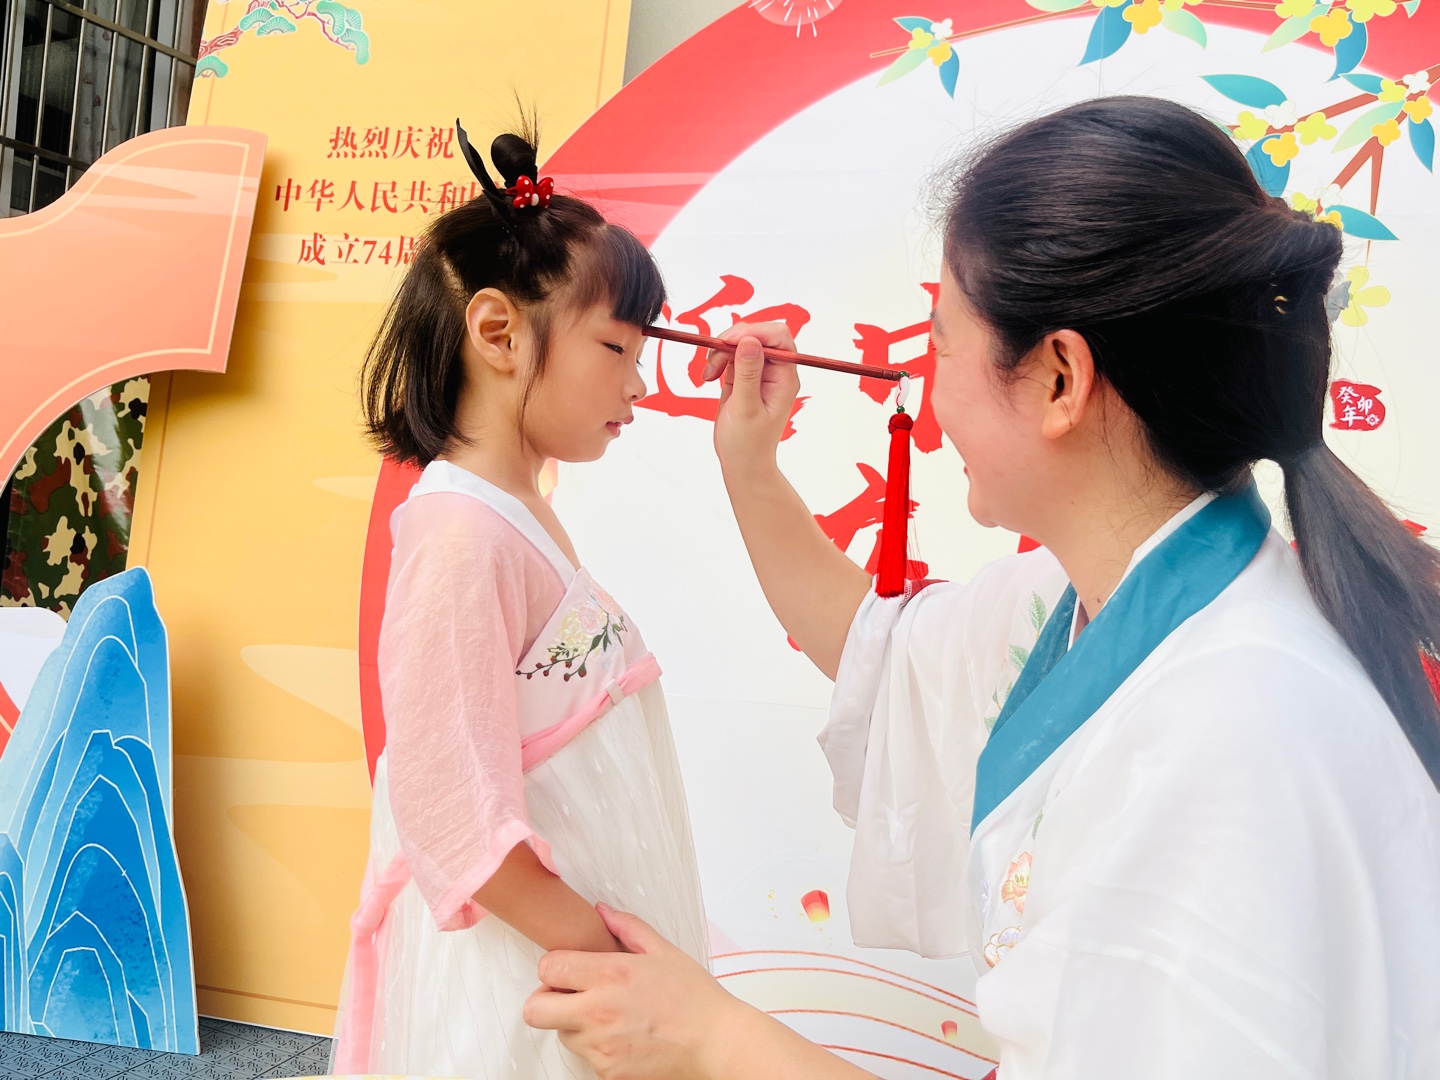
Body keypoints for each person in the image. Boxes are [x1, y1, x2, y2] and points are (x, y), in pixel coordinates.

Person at [524, 96, 1440, 1078]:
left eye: (941, 341)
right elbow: (885, 660)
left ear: (1059, 379)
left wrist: (713, 1038)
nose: (930, 385)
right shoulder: (1099, 605)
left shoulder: (1227, 741)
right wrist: (748, 462)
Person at [328, 120, 707, 1079]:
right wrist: (612, 962)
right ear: (498, 333)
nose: (638, 385)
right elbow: (451, 813)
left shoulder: (512, 515)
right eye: (616, 347)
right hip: (525, 980)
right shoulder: (461, 536)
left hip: (563, 962)